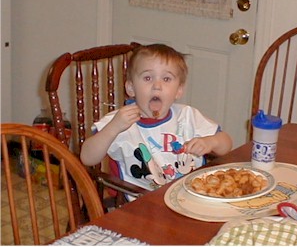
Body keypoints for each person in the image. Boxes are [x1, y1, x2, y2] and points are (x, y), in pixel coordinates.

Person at [80, 43, 233, 191]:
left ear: (179, 90)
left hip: (190, 195)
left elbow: (226, 145)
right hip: (140, 204)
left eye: (166, 79)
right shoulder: (119, 121)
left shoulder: (187, 116)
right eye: (148, 78)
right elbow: (87, 158)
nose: (157, 86)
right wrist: (113, 128)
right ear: (131, 88)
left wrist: (210, 142)